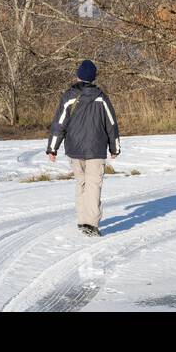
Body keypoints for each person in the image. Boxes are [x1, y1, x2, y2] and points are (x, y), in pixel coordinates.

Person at [46, 59, 121, 236]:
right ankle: (91, 224)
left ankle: (82, 220)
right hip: (96, 150)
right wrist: (114, 147)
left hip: (74, 149)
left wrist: (52, 148)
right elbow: (111, 124)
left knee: (82, 184)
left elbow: (59, 124)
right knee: (94, 186)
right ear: (94, 78)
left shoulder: (68, 97)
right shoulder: (102, 98)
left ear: (78, 76)